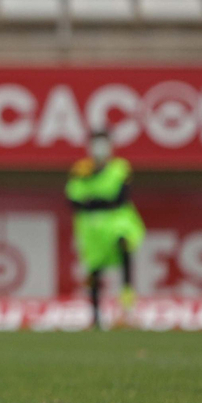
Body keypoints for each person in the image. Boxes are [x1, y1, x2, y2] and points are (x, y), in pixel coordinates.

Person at [67, 130, 145, 329]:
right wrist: (99, 200)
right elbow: (73, 200)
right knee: (94, 269)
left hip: (117, 221)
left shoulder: (120, 168)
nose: (99, 149)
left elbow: (119, 198)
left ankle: (127, 307)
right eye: (96, 144)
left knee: (124, 247)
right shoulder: (80, 170)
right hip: (91, 227)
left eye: (103, 144)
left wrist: (93, 199)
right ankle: (95, 317)